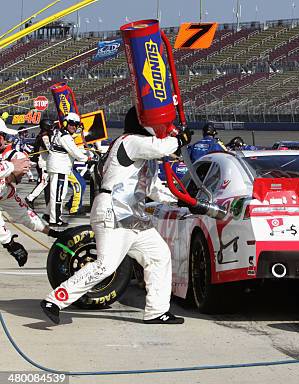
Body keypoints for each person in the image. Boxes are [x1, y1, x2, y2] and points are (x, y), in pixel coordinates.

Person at [40, 106, 192, 325]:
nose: (160, 129)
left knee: (159, 256)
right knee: (105, 265)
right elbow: (161, 147)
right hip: (113, 210)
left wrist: (181, 201)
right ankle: (55, 300)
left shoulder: (144, 155)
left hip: (132, 215)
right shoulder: (129, 141)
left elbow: (153, 190)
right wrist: (178, 139)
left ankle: (156, 312)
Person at [0, 120, 60, 267]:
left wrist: (52, 233)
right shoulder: (9, 167)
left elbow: (24, 214)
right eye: (2, 135)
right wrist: (9, 242)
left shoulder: (6, 189)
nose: (23, 175)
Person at [45, 113, 89, 226]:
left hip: (58, 167)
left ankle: (48, 214)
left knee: (59, 193)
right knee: (58, 194)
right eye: (72, 124)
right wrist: (87, 158)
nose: (74, 127)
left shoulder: (61, 133)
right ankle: (55, 220)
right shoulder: (65, 136)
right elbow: (75, 152)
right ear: (65, 123)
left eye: (76, 125)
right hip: (59, 168)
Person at [26, 119, 54, 208]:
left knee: (46, 184)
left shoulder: (42, 135)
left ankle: (48, 203)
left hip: (43, 162)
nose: (52, 128)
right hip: (43, 162)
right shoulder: (44, 136)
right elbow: (50, 149)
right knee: (44, 182)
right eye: (50, 126)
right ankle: (30, 198)